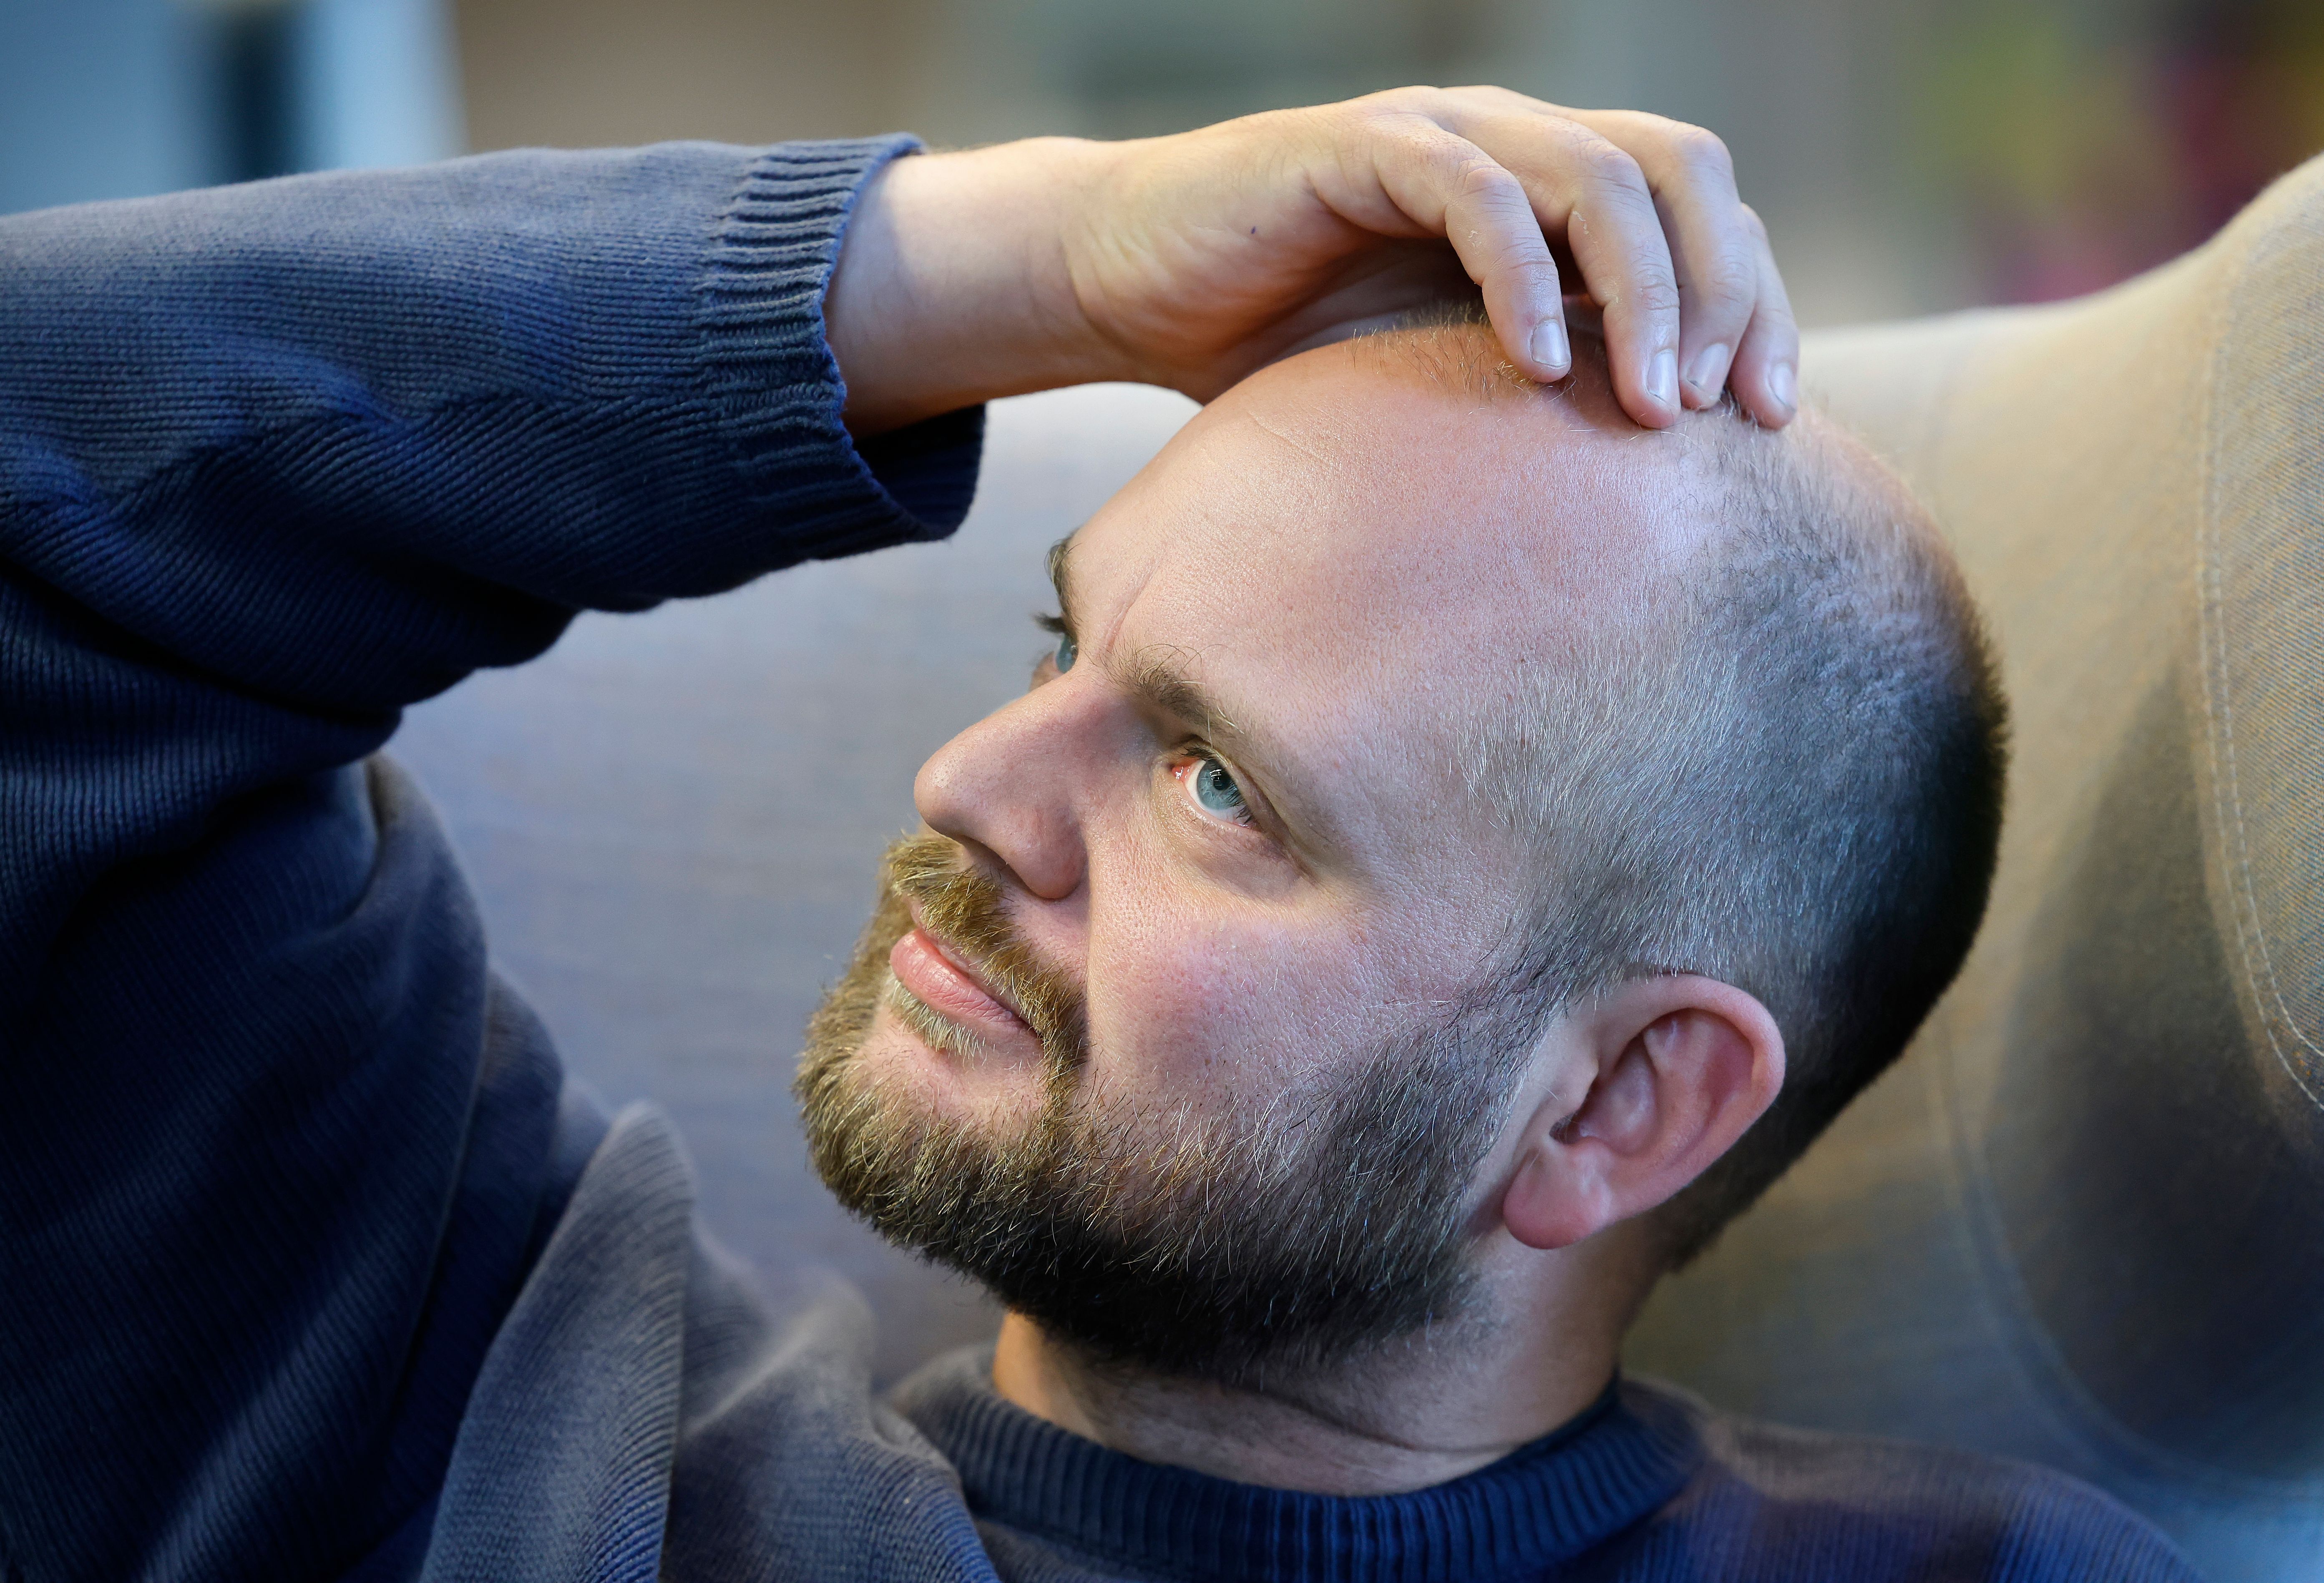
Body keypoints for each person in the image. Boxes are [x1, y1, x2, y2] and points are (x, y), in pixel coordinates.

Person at [0, 89, 2192, 1582]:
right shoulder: (471, 1405)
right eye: (1058, 644)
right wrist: (1031, 252)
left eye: (1215, 783)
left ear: (1616, 1101)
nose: (968, 784)